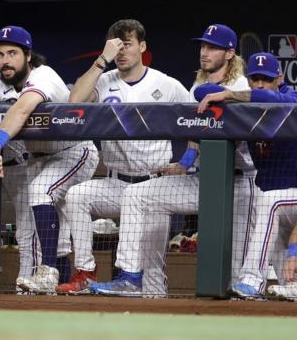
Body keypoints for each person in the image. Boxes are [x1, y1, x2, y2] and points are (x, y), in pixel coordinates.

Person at [90, 23, 258, 297]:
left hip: (241, 185)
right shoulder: (197, 87)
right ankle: (130, 276)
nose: (204, 52)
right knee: (136, 194)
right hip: (203, 181)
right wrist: (185, 161)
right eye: (203, 46)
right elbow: (194, 132)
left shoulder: (240, 85)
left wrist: (228, 96)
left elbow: (265, 99)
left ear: (229, 53)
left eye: (212, 47)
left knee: (237, 274)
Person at [0, 25, 98, 294]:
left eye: (12, 53)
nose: (5, 60)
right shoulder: (0, 81)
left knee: (40, 192)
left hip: (74, 151)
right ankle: (47, 282)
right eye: (0, 54)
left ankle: (48, 273)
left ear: (28, 55)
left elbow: (22, 108)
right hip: (38, 159)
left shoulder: (44, 75)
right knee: (38, 218)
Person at [55, 19, 189, 294]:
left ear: (142, 47)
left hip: (153, 187)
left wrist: (186, 162)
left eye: (126, 44)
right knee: (77, 196)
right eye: (116, 45)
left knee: (152, 278)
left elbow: (198, 123)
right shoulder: (103, 80)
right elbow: (73, 101)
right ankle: (86, 272)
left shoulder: (166, 84)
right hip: (117, 184)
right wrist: (102, 58)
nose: (121, 51)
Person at [196, 53, 297, 300]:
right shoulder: (246, 108)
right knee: (289, 281)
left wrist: (229, 94)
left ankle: (251, 279)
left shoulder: (291, 96)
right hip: (276, 204)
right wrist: (226, 92)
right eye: (255, 79)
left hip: (290, 195)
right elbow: (202, 92)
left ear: (279, 79)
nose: (260, 84)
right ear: (247, 80)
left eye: (266, 79)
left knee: (268, 202)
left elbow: (273, 99)